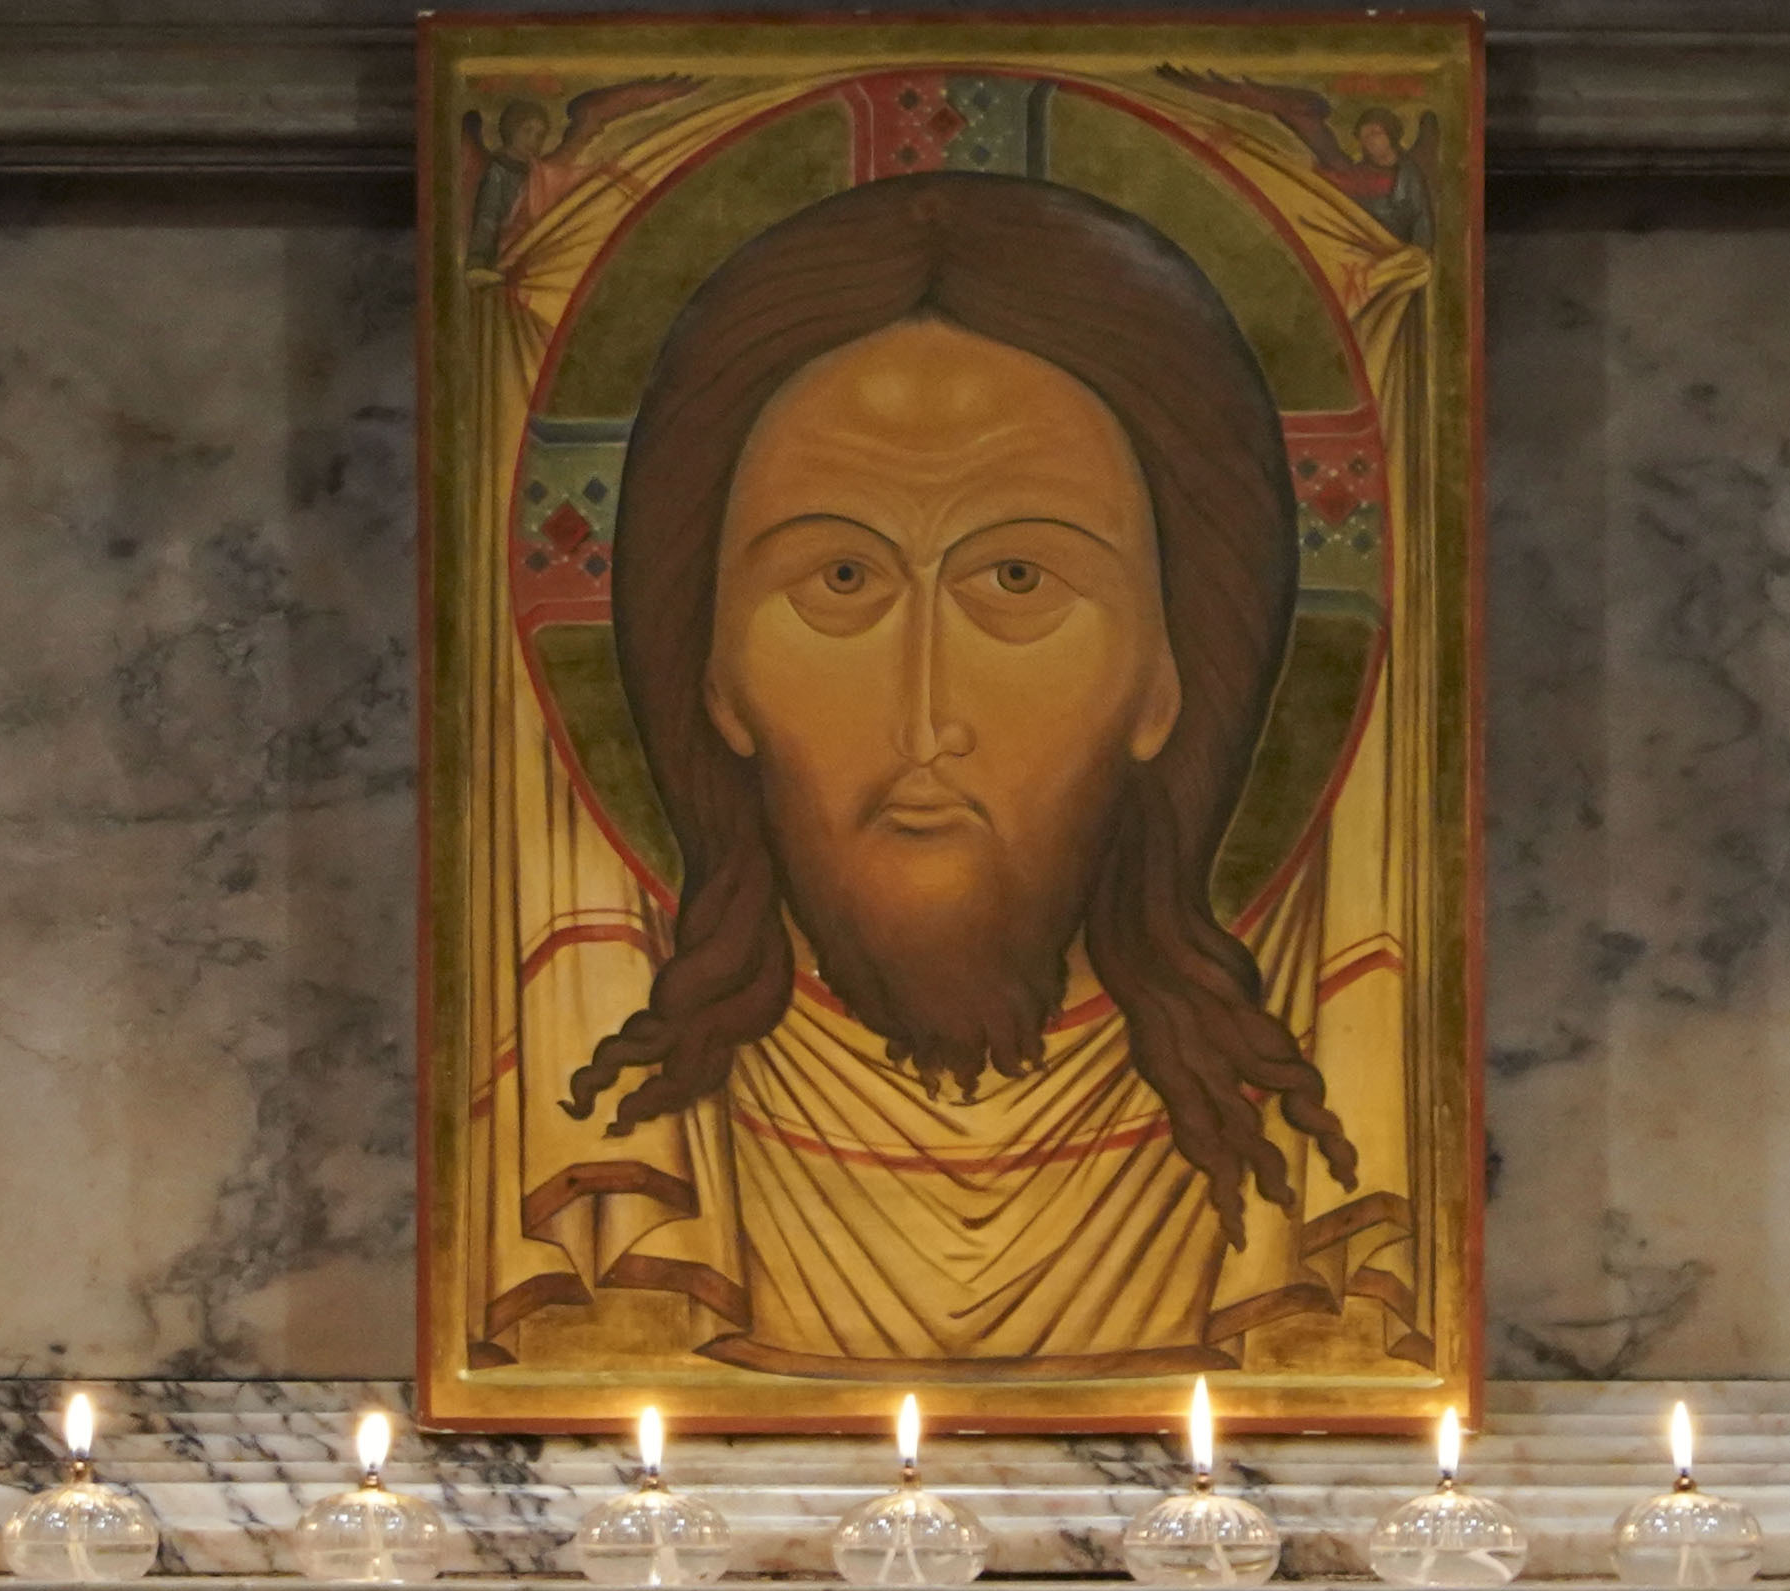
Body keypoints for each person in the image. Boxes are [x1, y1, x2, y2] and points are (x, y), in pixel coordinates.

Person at [552, 173, 1411, 1375]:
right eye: (839, 580)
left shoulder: (1289, 1212)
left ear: (1168, 675)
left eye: (1019, 580)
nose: (925, 719)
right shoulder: (624, 1193)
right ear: (712, 673)